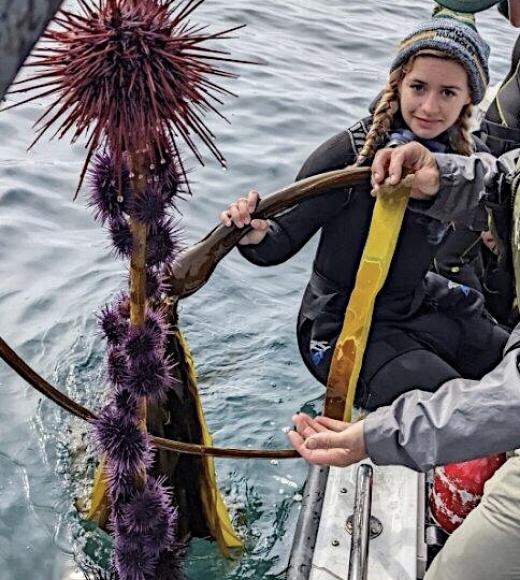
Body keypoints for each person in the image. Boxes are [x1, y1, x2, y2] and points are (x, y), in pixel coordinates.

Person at [221, 16, 508, 411]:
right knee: (461, 408)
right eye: (418, 87)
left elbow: (495, 215)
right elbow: (278, 242)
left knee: (508, 365)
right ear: (398, 84)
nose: (429, 106)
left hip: (414, 305)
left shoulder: (465, 161)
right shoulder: (349, 155)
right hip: (338, 328)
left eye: (447, 93)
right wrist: (251, 232)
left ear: (467, 101)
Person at [289, 139, 520, 580]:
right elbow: (506, 182)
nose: (430, 107)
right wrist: (442, 179)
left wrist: (374, 436)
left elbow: (510, 401)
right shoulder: (356, 148)